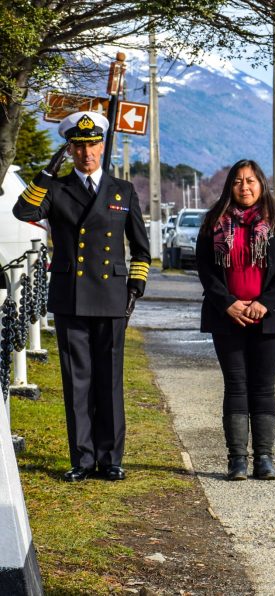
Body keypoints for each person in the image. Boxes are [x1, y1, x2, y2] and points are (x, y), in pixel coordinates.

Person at [13, 110, 151, 482]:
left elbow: (141, 248)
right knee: (77, 380)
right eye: (79, 145)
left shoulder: (122, 191)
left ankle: (111, 458)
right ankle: (83, 459)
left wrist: (135, 286)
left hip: (111, 296)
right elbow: (22, 210)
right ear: (70, 150)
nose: (86, 152)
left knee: (109, 380)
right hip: (72, 295)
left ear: (102, 146)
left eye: (92, 145)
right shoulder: (57, 189)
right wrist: (44, 174)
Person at [196, 159, 275, 481]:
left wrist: (264, 304)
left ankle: (264, 459)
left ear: (262, 184)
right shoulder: (214, 221)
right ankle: (237, 460)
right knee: (235, 387)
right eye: (238, 181)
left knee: (263, 387)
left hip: (269, 318)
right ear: (230, 186)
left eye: (251, 181)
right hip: (227, 317)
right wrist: (228, 303)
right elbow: (205, 269)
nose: (245, 187)